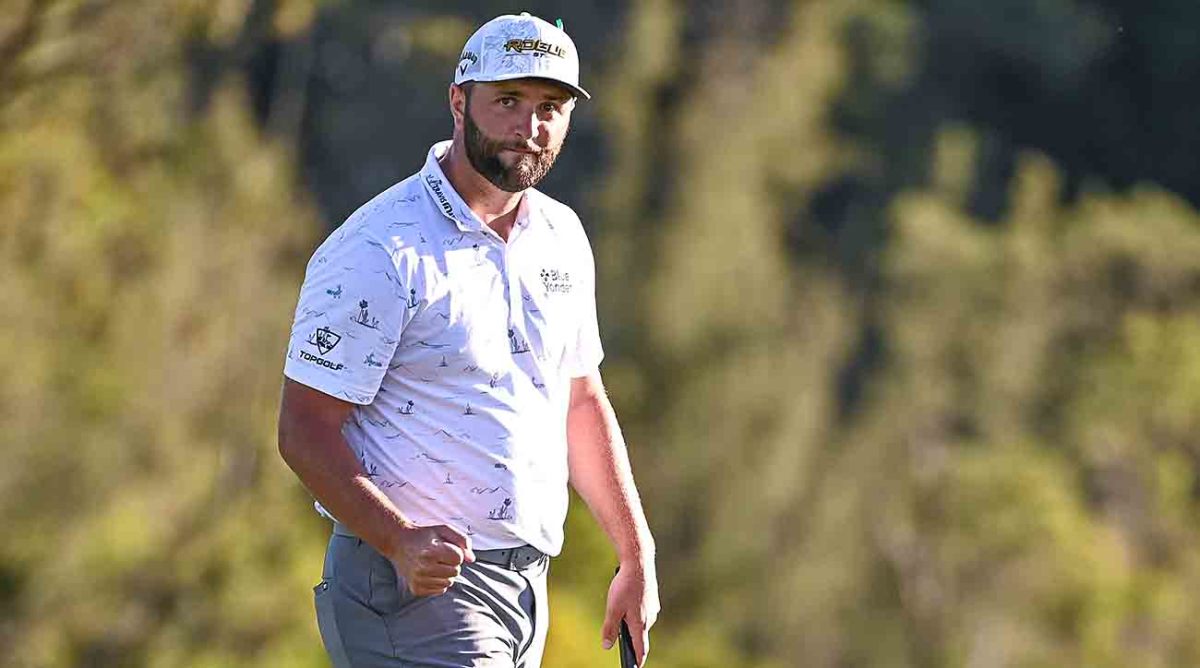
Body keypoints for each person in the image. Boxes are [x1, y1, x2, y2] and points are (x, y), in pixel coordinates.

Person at [276, 12, 659, 668]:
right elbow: (304, 428)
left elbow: (579, 400)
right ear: (459, 102)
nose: (529, 127)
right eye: (507, 102)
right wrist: (396, 538)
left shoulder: (562, 237)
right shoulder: (380, 248)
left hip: (524, 588)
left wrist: (635, 552)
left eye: (549, 107)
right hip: (412, 589)